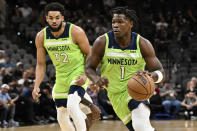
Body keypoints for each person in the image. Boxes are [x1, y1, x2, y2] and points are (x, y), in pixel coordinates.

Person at [85, 7, 165, 131]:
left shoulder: (142, 43)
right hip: (114, 95)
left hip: (137, 90)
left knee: (141, 126)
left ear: (131, 24)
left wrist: (151, 76)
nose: (116, 25)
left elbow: (161, 71)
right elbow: (89, 67)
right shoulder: (102, 42)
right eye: (113, 22)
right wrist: (96, 79)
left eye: (120, 22)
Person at [32, 2, 100, 131]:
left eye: (57, 18)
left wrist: (86, 75)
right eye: (51, 18)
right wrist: (36, 86)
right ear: (46, 18)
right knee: (61, 116)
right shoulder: (41, 36)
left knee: (72, 105)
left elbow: (91, 55)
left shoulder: (76, 31)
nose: (54, 21)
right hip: (61, 76)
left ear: (62, 18)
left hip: (78, 72)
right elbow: (40, 64)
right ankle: (89, 107)